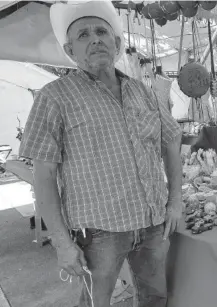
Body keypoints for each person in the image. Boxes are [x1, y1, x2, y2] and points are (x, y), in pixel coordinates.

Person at [18, 1, 183, 306]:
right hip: (99, 233)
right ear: (70, 51)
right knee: (97, 302)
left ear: (117, 43)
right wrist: (61, 242)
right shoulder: (54, 98)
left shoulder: (142, 91)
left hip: (151, 222)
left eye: (101, 32)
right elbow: (44, 175)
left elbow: (172, 141)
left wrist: (175, 201)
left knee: (155, 297)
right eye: (83, 35)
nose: (94, 39)